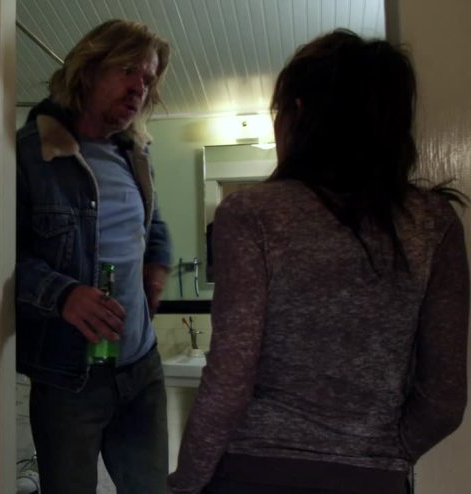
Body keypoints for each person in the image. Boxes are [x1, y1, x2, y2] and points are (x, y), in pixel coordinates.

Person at [168, 29, 469, 494]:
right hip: (373, 480)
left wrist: (184, 484)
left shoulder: (252, 213)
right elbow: (443, 401)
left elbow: (228, 382)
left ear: (298, 113)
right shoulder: (433, 222)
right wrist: (380, 455)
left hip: (253, 474)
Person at [15, 19, 173, 493]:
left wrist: (157, 267)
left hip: (142, 368)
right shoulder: (30, 153)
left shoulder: (136, 154)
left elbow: (154, 223)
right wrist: (63, 295)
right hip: (68, 379)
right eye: (128, 70)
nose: (139, 87)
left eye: (147, 78)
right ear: (88, 69)